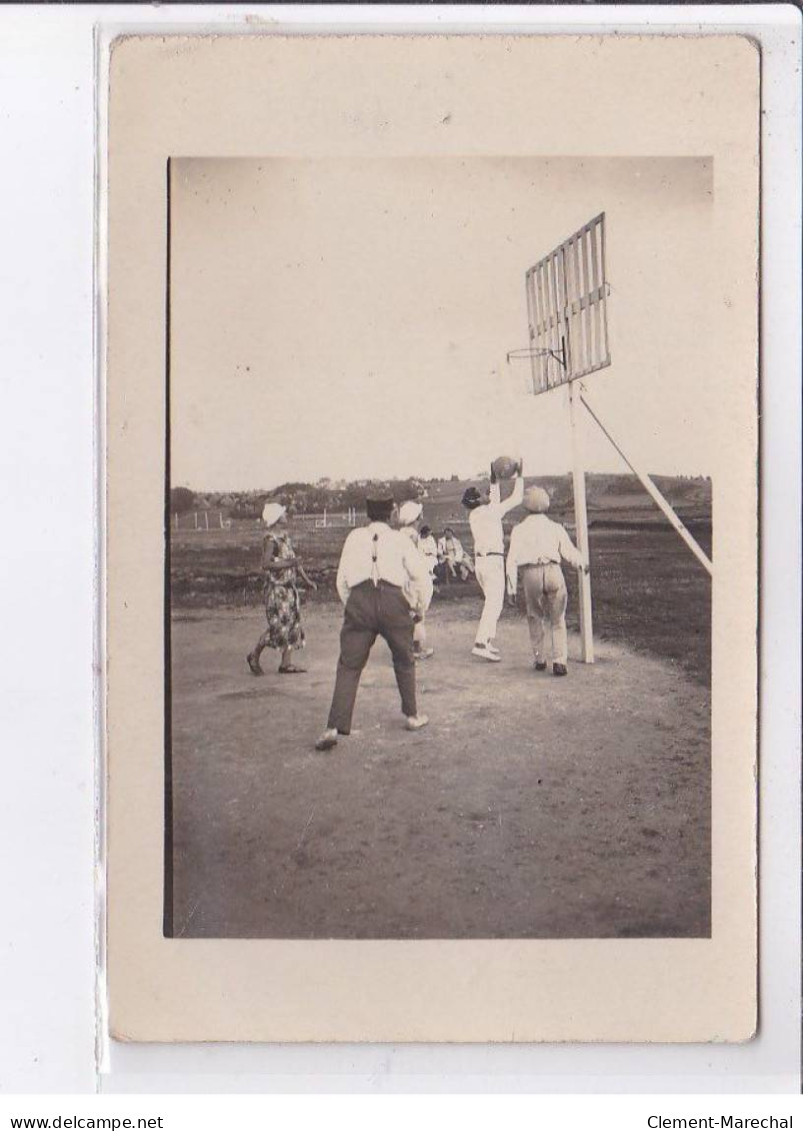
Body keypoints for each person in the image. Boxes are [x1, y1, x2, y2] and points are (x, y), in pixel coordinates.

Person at [315, 497, 433, 752]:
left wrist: (355, 605)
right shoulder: (400, 539)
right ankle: (412, 716)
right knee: (404, 658)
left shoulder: (354, 537)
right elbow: (420, 575)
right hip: (393, 601)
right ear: (391, 513)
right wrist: (419, 607)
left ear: (368, 514)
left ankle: (333, 727)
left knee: (349, 664)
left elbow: (341, 582)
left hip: (360, 600)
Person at [505, 486, 588, 676]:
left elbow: (512, 560)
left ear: (526, 507)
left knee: (535, 616)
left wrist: (511, 589)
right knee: (558, 619)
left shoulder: (519, 529)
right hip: (553, 571)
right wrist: (582, 563)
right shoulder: (555, 527)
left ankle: (540, 658)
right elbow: (568, 550)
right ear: (546, 505)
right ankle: (560, 661)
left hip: (531, 574)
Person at [461, 459, 524, 661]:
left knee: (493, 602)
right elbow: (517, 498)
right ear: (477, 500)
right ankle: (480, 643)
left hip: (482, 562)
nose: (486, 494)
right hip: (492, 563)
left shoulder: (477, 513)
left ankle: (487, 640)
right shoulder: (491, 511)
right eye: (482, 494)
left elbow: (493, 497)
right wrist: (520, 476)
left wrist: (494, 477)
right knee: (493, 604)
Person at [246, 502, 317, 676]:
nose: (286, 516)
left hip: (289, 589)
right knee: (278, 628)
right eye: (283, 514)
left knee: (292, 624)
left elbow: (295, 562)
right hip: (277, 591)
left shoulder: (284, 537)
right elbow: (266, 564)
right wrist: (288, 564)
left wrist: (306, 580)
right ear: (277, 519)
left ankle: (286, 663)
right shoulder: (271, 540)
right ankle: (254, 655)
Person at [398, 500, 434, 660]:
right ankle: (415, 649)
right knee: (416, 612)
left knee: (411, 613)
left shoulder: (401, 534)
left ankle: (410, 647)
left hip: (406, 577)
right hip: (411, 579)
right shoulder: (411, 535)